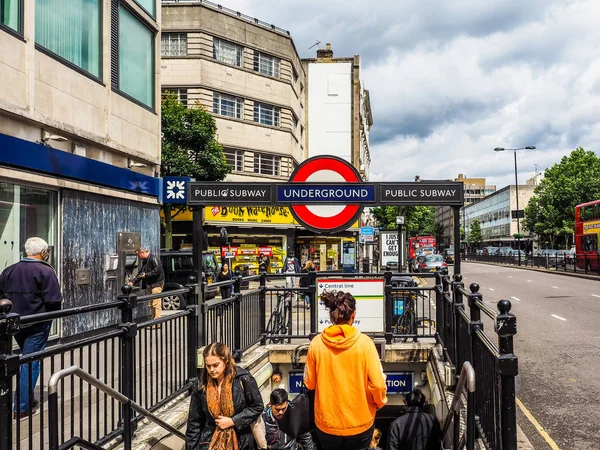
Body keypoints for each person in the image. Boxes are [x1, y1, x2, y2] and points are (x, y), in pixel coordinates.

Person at [304, 291, 388, 450]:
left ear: (332, 315)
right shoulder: (365, 344)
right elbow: (378, 385)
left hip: (327, 423)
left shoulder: (316, 344)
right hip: (360, 423)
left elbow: (309, 383)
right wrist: (379, 402)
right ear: (353, 315)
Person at [0, 237, 62, 418]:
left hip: (16, 324)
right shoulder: (45, 271)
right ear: (43, 252)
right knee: (30, 362)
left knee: (24, 360)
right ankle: (21, 407)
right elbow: (54, 301)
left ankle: (25, 398)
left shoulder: (9, 270)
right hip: (37, 325)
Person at [186, 342, 264, 449]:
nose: (212, 370)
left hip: (241, 441)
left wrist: (233, 421)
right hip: (210, 441)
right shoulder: (201, 385)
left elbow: (257, 406)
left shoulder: (242, 378)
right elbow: (194, 422)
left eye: (215, 365)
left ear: (225, 361)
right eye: (208, 366)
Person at [129, 247, 164, 320]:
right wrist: (133, 282)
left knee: (156, 303)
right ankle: (154, 320)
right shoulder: (145, 260)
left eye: (138, 255)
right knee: (151, 304)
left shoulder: (153, 259)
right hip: (150, 284)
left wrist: (146, 275)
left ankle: (156, 321)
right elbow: (141, 273)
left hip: (156, 284)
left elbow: (158, 270)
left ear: (142, 253)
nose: (138, 257)